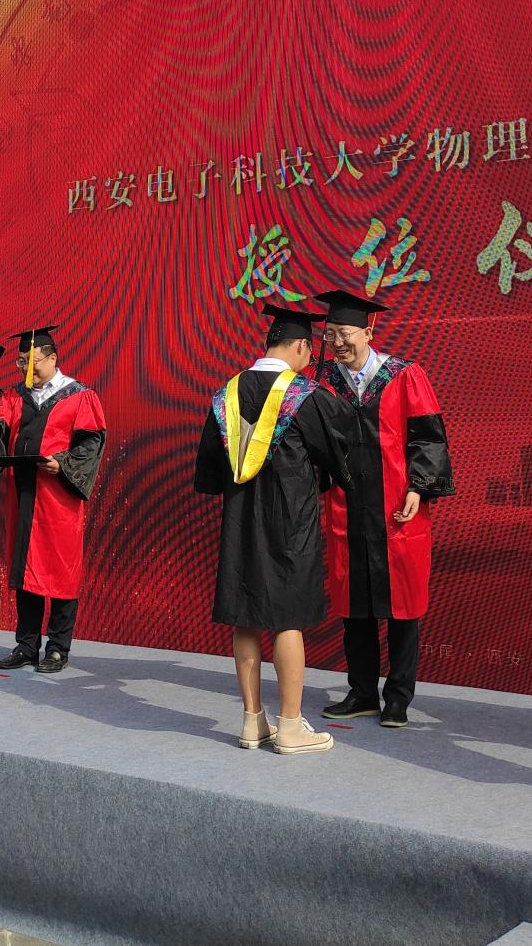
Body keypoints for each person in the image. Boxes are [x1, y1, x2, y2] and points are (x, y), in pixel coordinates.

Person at [195, 303, 351, 755]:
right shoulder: (306, 395)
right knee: (286, 620)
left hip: (240, 521)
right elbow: (340, 457)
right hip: (290, 523)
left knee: (246, 616)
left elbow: (209, 475)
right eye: (310, 350)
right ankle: (290, 727)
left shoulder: (226, 393)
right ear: (301, 345)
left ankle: (252, 722)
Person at [313, 289, 452, 730]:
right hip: (346, 507)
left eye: (345, 333)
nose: (337, 342)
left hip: (397, 508)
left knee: (402, 607)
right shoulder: (323, 380)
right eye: (330, 334)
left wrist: (420, 488)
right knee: (354, 606)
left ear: (368, 331)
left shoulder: (404, 375)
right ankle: (361, 693)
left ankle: (398, 698)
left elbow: (428, 436)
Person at [0, 326, 107, 674]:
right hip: (23, 497)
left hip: (58, 500)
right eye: (21, 362)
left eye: (33, 362)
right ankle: (26, 646)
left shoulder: (79, 396)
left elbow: (90, 444)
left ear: (52, 359)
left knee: (62, 572)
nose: (27, 369)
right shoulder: (15, 396)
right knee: (26, 571)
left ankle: (57, 648)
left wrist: (62, 463)